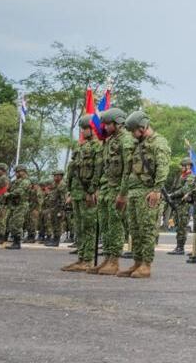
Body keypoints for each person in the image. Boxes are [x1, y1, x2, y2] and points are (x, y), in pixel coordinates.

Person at [115, 110, 170, 279]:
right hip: (133, 192)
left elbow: (163, 167)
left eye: (134, 131)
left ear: (143, 126)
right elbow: (128, 170)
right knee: (135, 230)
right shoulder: (138, 144)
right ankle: (137, 262)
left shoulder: (158, 143)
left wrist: (156, 190)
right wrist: (123, 193)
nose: (132, 134)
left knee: (147, 229)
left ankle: (146, 264)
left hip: (148, 192)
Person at [88, 108, 133, 276]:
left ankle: (114, 260)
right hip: (107, 188)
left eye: (107, 124)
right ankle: (107, 258)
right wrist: (100, 188)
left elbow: (128, 169)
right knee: (105, 224)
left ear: (117, 123)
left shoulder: (126, 140)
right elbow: (106, 169)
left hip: (118, 189)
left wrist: (123, 193)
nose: (104, 127)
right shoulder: (109, 140)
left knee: (115, 225)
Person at [168, 159, 194, 256]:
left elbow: (185, 189)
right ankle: (178, 246)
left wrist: (172, 195)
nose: (181, 168)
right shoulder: (181, 177)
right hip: (178, 204)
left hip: (184, 205)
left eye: (183, 166)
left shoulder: (190, 177)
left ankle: (180, 247)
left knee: (182, 227)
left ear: (188, 166)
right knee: (178, 226)